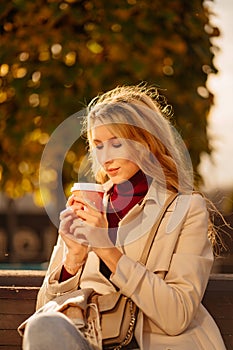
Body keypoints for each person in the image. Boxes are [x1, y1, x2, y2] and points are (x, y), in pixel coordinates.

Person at [19, 84, 226, 350]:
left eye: (117, 143)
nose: (105, 157)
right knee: (43, 327)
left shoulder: (186, 209)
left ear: (146, 143)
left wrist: (107, 250)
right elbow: (44, 321)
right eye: (98, 145)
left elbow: (177, 317)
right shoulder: (88, 206)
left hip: (159, 344)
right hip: (93, 343)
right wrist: (72, 260)